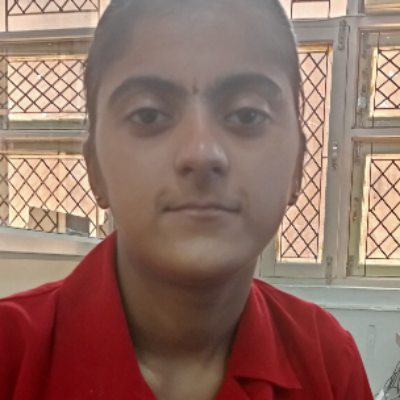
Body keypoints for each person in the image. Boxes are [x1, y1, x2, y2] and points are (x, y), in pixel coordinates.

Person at [0, 0, 374, 399]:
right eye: (148, 115)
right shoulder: (11, 355)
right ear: (94, 167)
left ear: (298, 165)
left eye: (248, 114)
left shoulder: (327, 364)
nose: (201, 152)